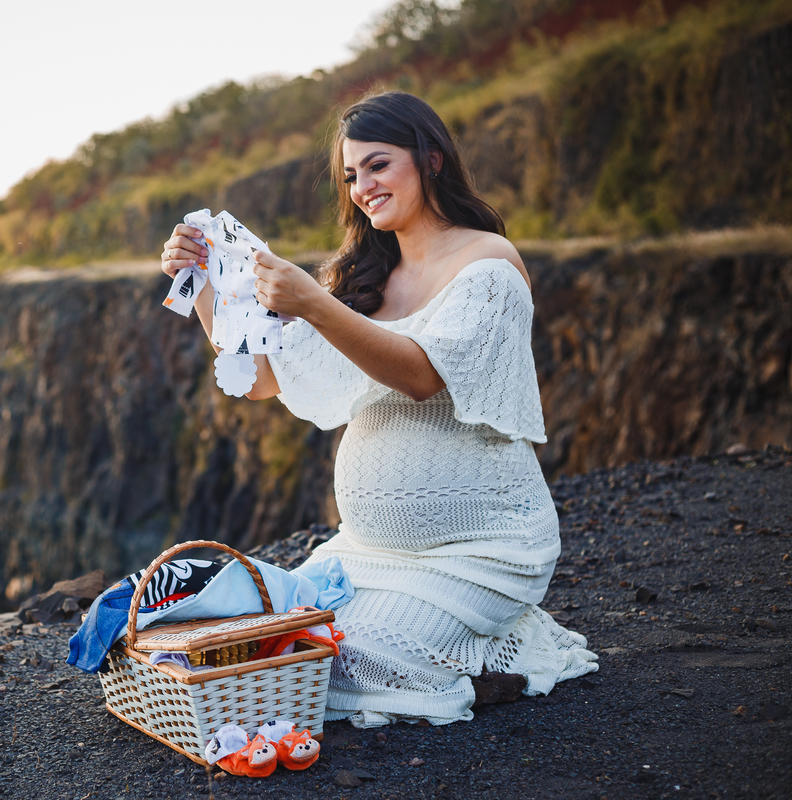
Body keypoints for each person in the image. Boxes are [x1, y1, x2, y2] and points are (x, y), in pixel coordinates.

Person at [158, 90, 597, 728]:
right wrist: (203, 284)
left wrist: (313, 303)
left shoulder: (488, 265)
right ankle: (471, 644)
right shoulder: (359, 274)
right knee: (267, 639)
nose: (363, 187)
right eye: (351, 175)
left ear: (432, 160)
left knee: (345, 660)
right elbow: (259, 379)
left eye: (379, 165)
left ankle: (507, 650)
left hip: (480, 548)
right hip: (363, 551)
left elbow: (421, 375)